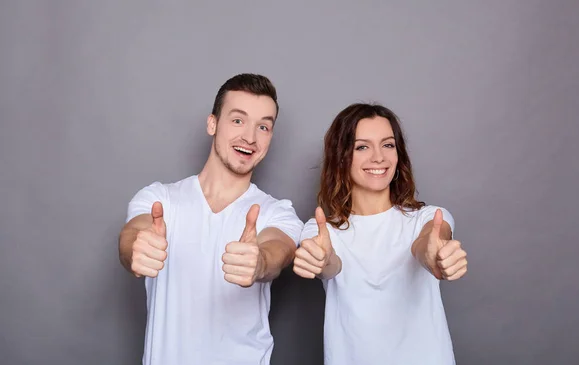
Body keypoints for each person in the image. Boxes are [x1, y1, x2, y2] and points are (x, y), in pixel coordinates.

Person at [118, 73, 304, 365]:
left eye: (264, 126)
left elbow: (277, 249)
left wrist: (260, 263)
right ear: (212, 124)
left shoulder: (277, 213)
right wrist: (136, 250)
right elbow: (133, 234)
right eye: (238, 120)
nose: (250, 137)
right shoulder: (160, 199)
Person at [293, 103, 468, 365]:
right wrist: (320, 259)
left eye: (388, 145)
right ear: (341, 156)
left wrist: (436, 254)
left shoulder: (427, 217)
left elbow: (426, 244)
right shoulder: (322, 231)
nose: (379, 157)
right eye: (362, 147)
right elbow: (330, 264)